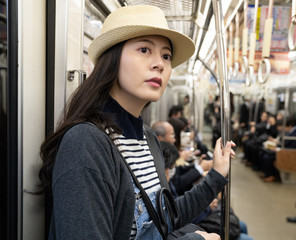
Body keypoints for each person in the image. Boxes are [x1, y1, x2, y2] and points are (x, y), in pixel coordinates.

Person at [38, 5, 235, 240]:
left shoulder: (148, 138)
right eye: (144, 49)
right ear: (111, 59)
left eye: (166, 56)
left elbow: (165, 219)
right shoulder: (86, 144)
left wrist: (216, 175)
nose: (159, 64)